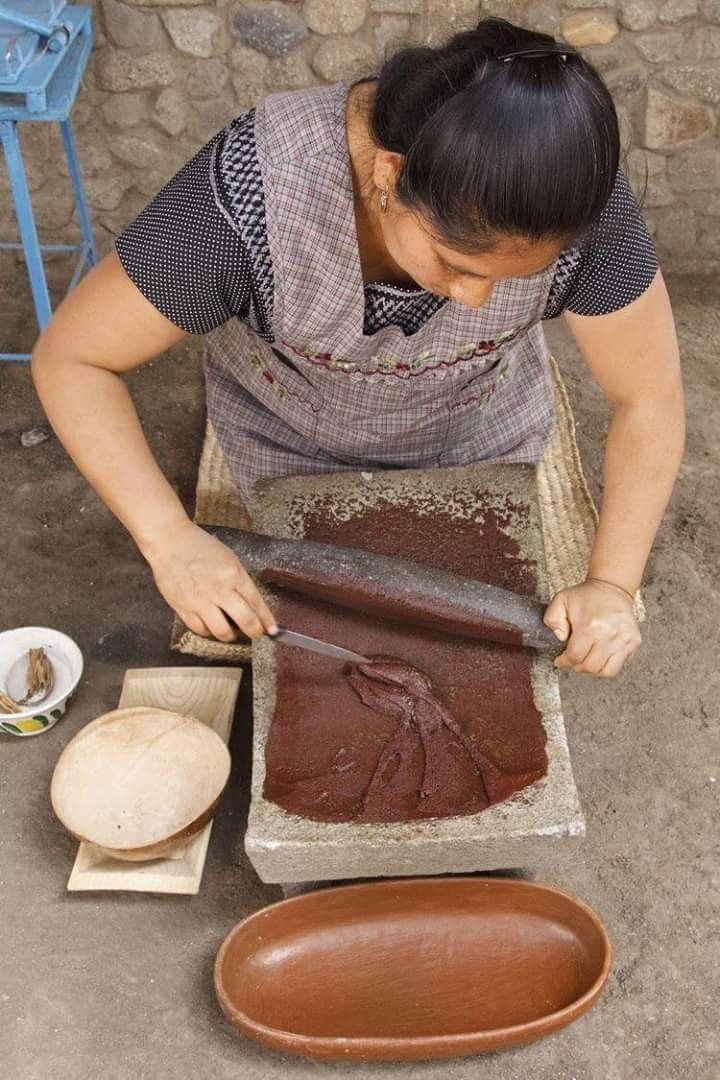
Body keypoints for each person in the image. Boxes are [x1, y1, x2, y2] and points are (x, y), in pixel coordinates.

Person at [30, 17, 684, 678]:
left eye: (510, 277)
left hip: (481, 442)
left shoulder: (578, 207)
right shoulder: (251, 195)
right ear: (390, 174)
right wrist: (168, 538)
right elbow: (72, 359)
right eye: (456, 262)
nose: (475, 301)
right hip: (292, 449)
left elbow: (648, 398)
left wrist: (611, 585)